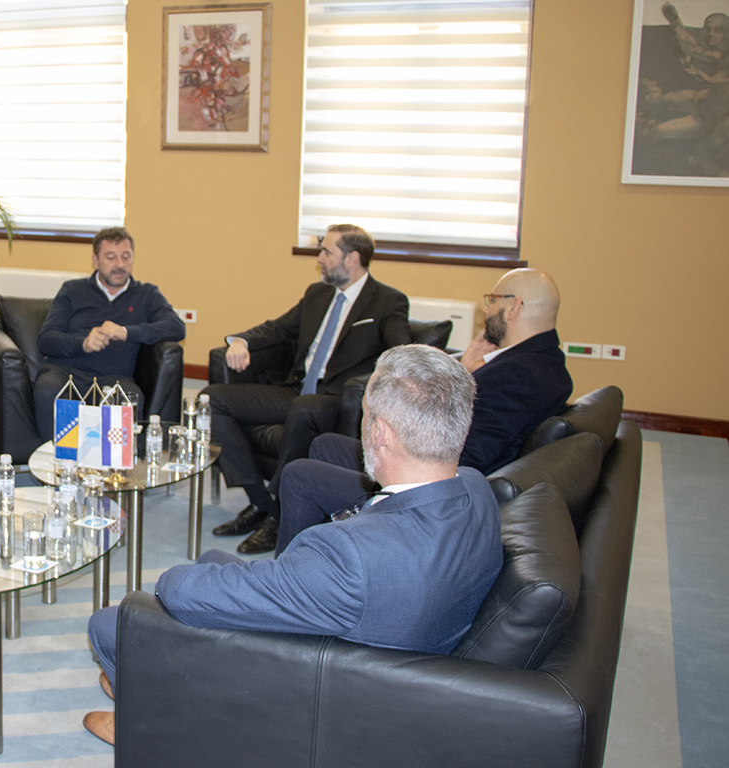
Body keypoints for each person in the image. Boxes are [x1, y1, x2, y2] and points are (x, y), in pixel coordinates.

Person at [81, 345, 503, 745]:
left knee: (114, 621)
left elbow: (178, 591)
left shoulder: (352, 558)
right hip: (380, 642)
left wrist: (171, 581)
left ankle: (146, 722)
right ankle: (141, 681)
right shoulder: (476, 489)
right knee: (212, 561)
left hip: (316, 681)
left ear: (379, 432)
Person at [280, 268, 573, 555]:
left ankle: (292, 578)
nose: (486, 309)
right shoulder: (539, 363)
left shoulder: (519, 374)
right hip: (432, 467)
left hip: (433, 494)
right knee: (325, 444)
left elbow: (471, 453)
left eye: (492, 300)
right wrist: (466, 372)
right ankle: (339, 550)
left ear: (513, 307)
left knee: (299, 475)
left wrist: (462, 378)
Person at [203, 223, 411, 554]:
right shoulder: (318, 294)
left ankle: (278, 519)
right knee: (211, 399)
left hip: (337, 399)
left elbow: (401, 353)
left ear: (352, 258)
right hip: (296, 391)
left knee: (305, 407)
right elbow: (277, 329)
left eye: (327, 251)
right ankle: (261, 503)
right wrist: (240, 340)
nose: (320, 259)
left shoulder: (388, 301)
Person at [32, 227, 186, 441]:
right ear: (95, 260)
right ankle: (56, 458)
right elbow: (46, 339)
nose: (119, 265)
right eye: (111, 257)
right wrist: (83, 343)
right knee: (48, 391)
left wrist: (126, 332)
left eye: (126, 257)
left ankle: (117, 462)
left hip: (114, 378)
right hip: (65, 373)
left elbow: (176, 327)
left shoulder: (146, 294)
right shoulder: (72, 290)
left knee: (128, 400)